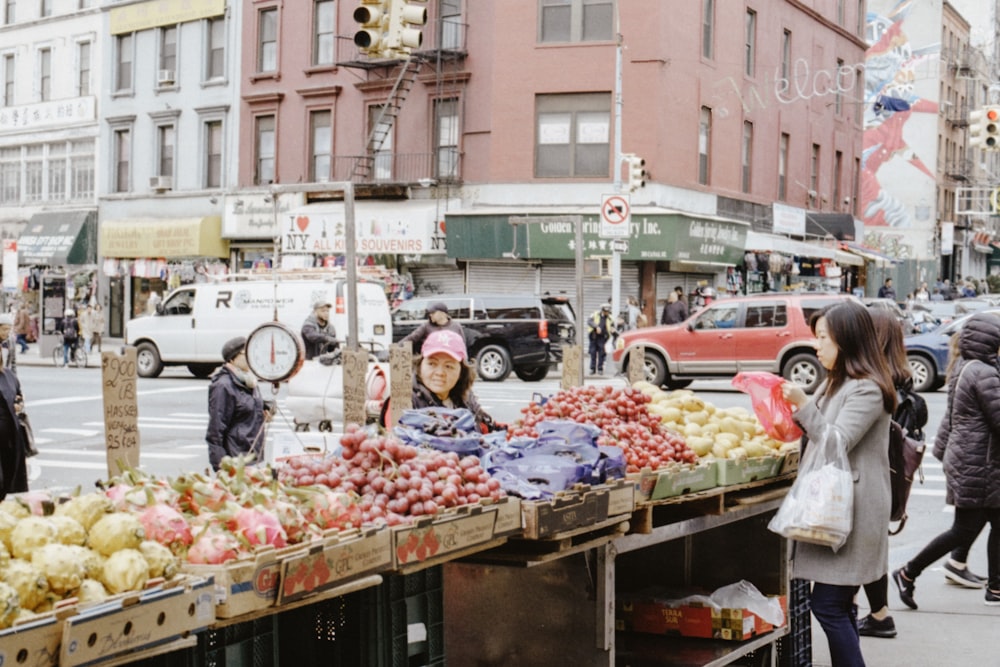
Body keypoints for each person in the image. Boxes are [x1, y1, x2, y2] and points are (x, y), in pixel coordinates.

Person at [781, 301, 896, 667]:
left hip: (854, 513)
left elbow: (835, 442)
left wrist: (801, 404)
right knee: (837, 606)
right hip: (834, 508)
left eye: (822, 338)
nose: (816, 347)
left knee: (828, 606)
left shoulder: (867, 390)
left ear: (845, 340)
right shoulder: (836, 383)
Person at [892, 312, 1000, 609]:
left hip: (974, 459)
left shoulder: (970, 366)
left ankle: (995, 588)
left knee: (994, 522)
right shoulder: (984, 373)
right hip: (978, 462)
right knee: (964, 528)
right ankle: (908, 571)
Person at [856, 308, 930, 639]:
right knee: (872, 547)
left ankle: (876, 614)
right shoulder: (899, 376)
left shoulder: (876, 383)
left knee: (864, 547)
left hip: (874, 476)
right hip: (889, 477)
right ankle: (879, 613)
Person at [392, 329, 499, 433]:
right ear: (420, 366)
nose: (440, 373)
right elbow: (398, 444)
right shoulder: (405, 399)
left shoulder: (466, 399)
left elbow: (485, 430)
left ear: (461, 372)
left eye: (448, 366)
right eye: (432, 364)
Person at [206, 337, 273, 471]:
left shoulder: (248, 381)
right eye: (245, 353)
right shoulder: (223, 386)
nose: (250, 357)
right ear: (232, 358)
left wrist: (264, 407)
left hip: (251, 455)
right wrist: (220, 467)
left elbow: (245, 404)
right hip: (234, 458)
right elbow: (215, 429)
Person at [0, 313, 28, 499]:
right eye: (4, 328)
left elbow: (13, 365)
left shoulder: (9, 343)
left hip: (7, 384)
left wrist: (13, 382)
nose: (7, 331)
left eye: (8, 328)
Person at [401, 302, 467, 354]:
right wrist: (395, 348)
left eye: (433, 313)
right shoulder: (426, 326)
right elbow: (411, 338)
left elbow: (462, 347)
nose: (430, 315)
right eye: (430, 313)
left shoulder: (456, 326)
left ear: (442, 313)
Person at [587, 304, 616, 375]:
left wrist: (613, 330)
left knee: (601, 353)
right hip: (594, 336)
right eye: (605, 311)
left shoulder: (610, 318)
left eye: (608, 311)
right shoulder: (595, 314)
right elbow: (589, 321)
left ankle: (600, 369)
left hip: (602, 338)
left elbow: (612, 326)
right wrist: (596, 327)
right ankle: (592, 369)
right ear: (602, 310)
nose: (607, 313)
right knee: (593, 353)